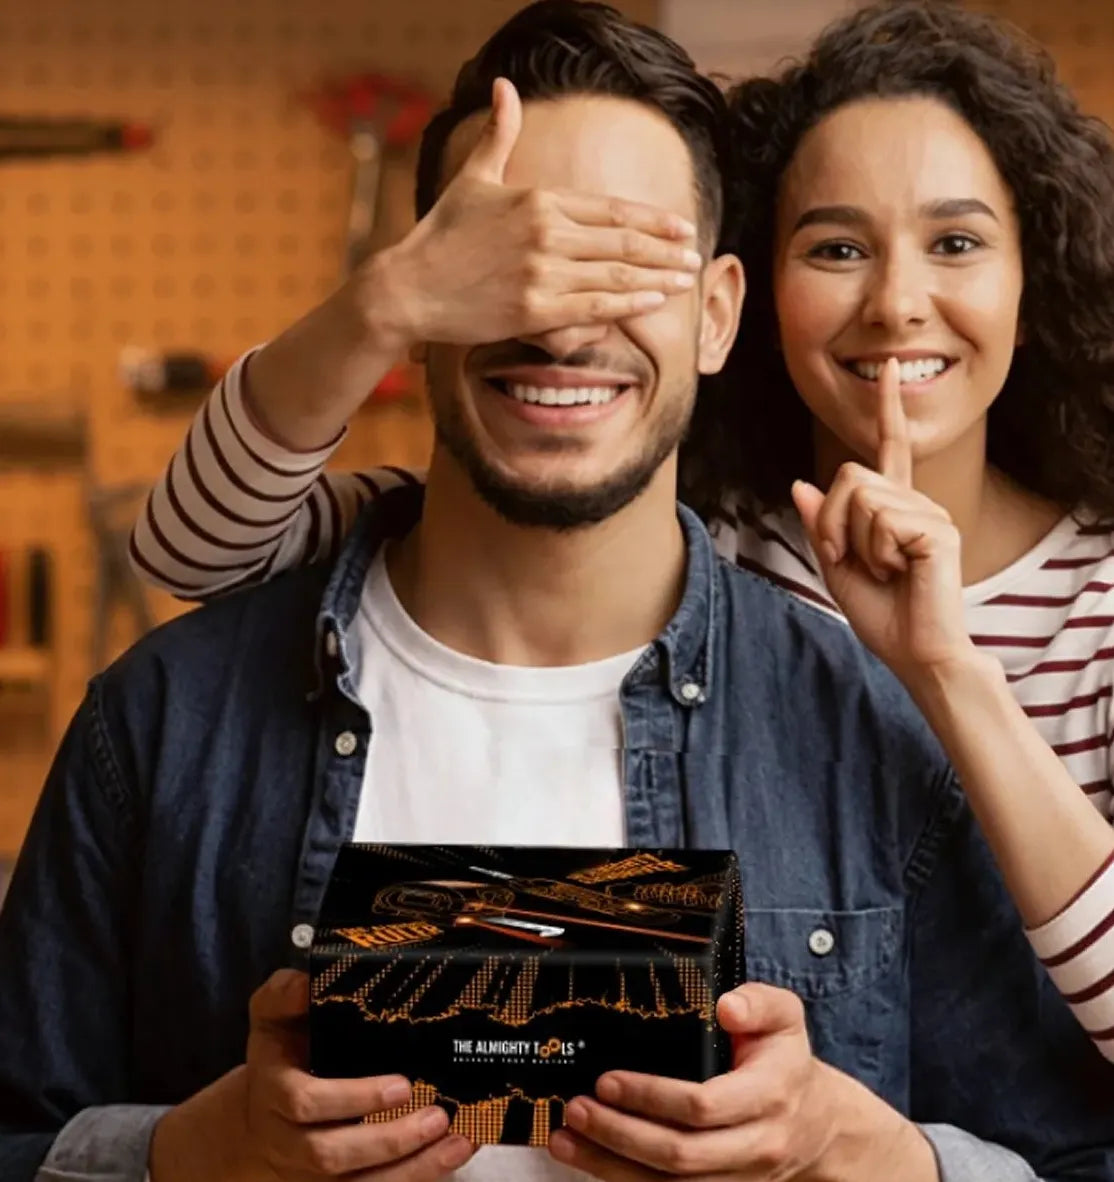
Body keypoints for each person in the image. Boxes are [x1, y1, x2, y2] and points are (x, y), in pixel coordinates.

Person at [4, 2, 1110, 1181]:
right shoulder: (164, 725)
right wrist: (184, 1154)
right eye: (506, 259)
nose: (562, 314)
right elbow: (193, 542)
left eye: (626, 259)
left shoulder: (876, 720)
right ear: (423, 294)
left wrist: (867, 1152)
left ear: (718, 312)